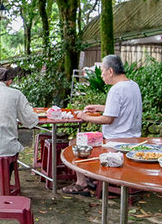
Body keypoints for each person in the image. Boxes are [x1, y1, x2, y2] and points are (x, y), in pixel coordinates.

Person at [61, 55, 143, 195]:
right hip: (133, 137)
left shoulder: (116, 89)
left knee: (74, 142)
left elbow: (108, 119)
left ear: (110, 71)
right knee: (81, 141)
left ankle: (82, 183)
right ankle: (91, 177)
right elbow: (122, 108)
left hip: (115, 139)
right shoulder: (133, 85)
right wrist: (100, 107)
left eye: (103, 71)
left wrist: (85, 116)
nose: (102, 75)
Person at [0, 67, 39, 179]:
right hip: (6, 146)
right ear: (9, 81)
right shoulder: (16, 94)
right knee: (9, 149)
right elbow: (30, 120)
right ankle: (5, 182)